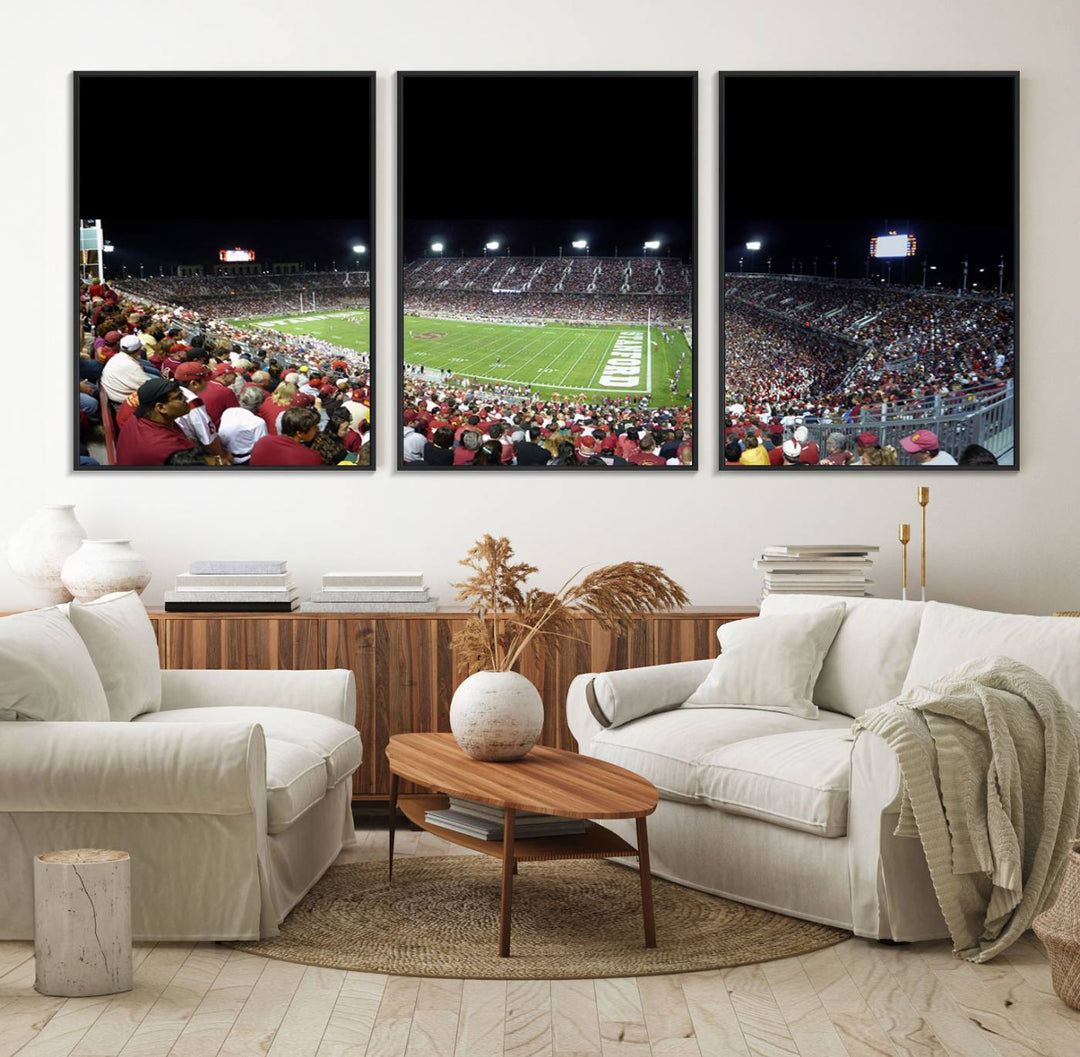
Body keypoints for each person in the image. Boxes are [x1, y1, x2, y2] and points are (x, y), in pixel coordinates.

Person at [115, 379, 205, 466]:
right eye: (179, 397)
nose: (186, 398)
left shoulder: (135, 418)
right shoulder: (171, 449)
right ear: (161, 407)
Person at [250, 407, 323, 466]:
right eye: (314, 427)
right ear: (299, 433)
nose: (317, 429)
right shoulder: (311, 457)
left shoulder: (263, 441)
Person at [218, 387, 268, 464]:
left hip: (224, 455)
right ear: (259, 404)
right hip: (244, 460)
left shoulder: (228, 412)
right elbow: (262, 447)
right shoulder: (258, 422)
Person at [100, 334, 152, 404]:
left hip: (113, 393)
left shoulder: (117, 357)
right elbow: (150, 387)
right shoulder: (132, 366)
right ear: (138, 350)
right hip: (121, 399)